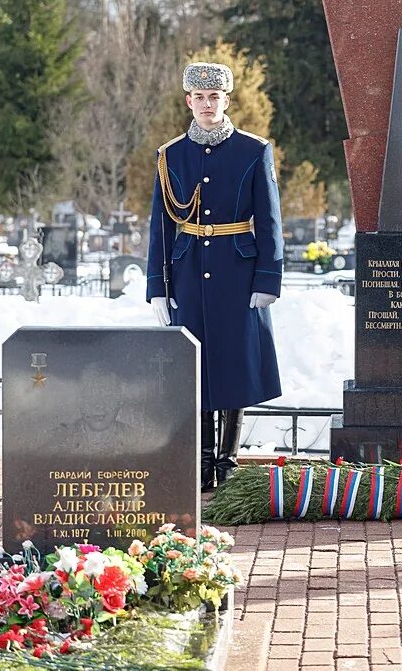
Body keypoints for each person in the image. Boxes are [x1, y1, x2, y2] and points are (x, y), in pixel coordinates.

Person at [147, 62, 285, 492]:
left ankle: (227, 461)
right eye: (199, 98)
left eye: (215, 97)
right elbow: (160, 226)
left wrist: (268, 279)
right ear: (189, 101)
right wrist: (157, 286)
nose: (207, 105)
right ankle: (201, 460)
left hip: (238, 273)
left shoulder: (253, 150)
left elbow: (270, 220)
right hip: (188, 274)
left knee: (234, 364)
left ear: (227, 100)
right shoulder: (171, 155)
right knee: (197, 365)